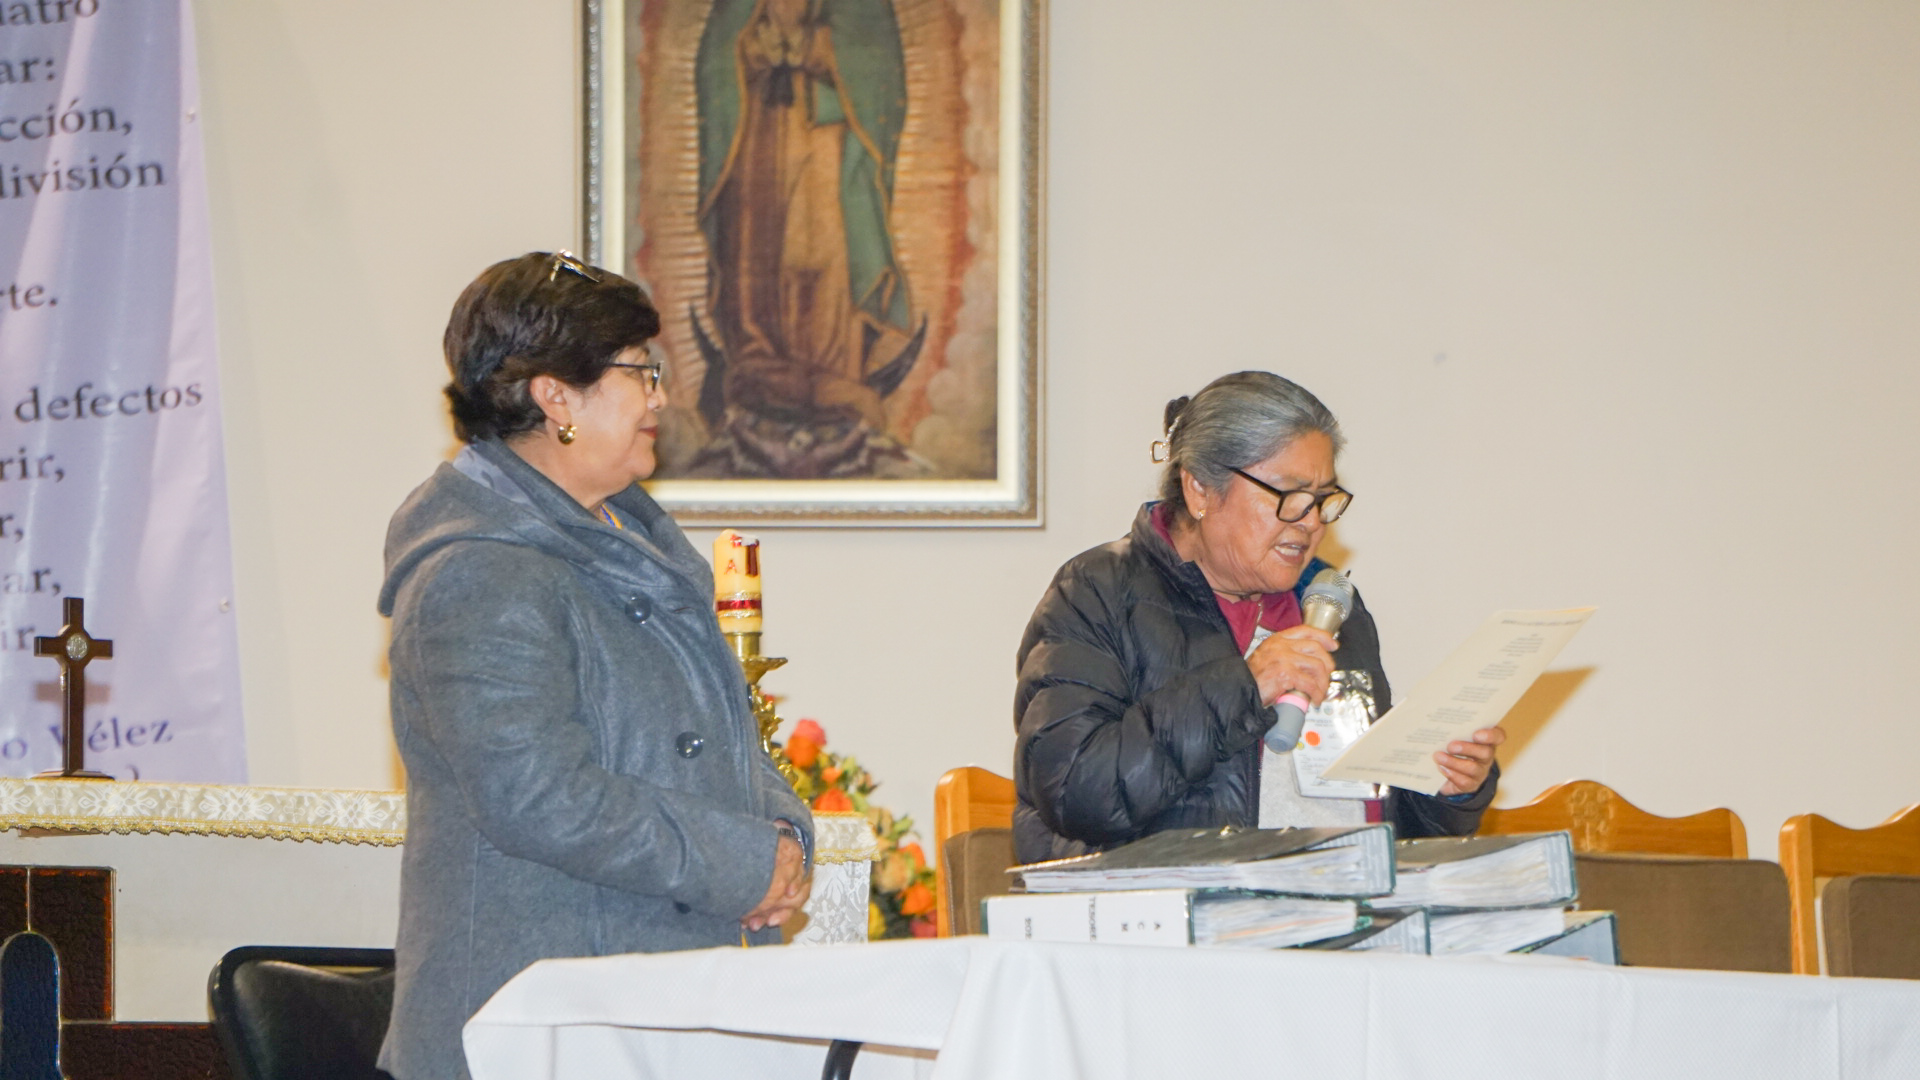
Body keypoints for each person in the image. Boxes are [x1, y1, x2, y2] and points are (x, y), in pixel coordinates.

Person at [375, 252, 813, 1080]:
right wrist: (742, 861)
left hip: (644, 1004)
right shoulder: (476, 572)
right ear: (555, 396)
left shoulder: (631, 537)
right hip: (530, 1025)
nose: (661, 396)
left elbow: (718, 734)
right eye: (640, 372)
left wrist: (783, 835)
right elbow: (541, 798)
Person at [1012, 371, 1503, 864]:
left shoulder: (1331, 607)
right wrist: (1244, 686)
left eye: (1321, 500)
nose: (1310, 521)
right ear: (1201, 489)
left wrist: (1447, 785)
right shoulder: (1099, 592)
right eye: (1288, 496)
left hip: (1343, 909)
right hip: (1173, 921)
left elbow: (1392, 826)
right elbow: (1075, 792)